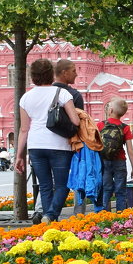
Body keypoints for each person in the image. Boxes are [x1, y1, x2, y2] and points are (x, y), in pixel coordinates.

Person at [16, 58, 80, 224]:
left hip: (35, 146)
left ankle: (49, 223)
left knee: (45, 186)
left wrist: (19, 156)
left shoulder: (25, 98)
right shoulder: (62, 93)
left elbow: (24, 129)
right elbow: (76, 121)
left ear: (33, 76)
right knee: (62, 185)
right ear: (51, 74)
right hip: (59, 145)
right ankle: (50, 215)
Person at [52, 59, 87, 214]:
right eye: (73, 70)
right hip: (69, 145)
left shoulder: (45, 92)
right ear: (64, 73)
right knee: (76, 178)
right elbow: (79, 122)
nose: (76, 73)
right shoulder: (73, 94)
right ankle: (78, 213)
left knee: (47, 183)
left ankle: (43, 212)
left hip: (44, 144)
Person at [96, 98, 133, 212]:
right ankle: (121, 215)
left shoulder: (100, 125)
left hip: (104, 161)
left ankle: (105, 215)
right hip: (119, 161)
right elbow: (130, 149)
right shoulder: (125, 127)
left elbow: (95, 145)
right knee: (121, 191)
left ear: (111, 110)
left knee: (106, 189)